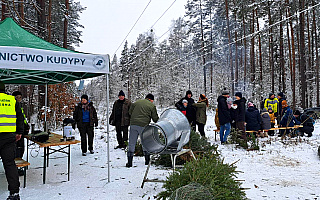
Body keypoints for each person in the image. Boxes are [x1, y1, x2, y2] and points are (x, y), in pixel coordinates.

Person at [0, 82, 23, 200]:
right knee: (10, 165)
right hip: (9, 137)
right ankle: (14, 193)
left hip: (7, 136)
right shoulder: (11, 100)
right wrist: (19, 132)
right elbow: (20, 117)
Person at [126, 94, 159, 168]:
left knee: (132, 142)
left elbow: (130, 112)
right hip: (144, 125)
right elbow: (155, 119)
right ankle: (147, 161)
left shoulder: (136, 103)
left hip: (133, 124)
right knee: (145, 142)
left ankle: (129, 162)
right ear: (151, 99)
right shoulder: (151, 106)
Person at [12, 91, 29, 176]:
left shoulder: (20, 107)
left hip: (21, 132)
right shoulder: (12, 106)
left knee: (21, 149)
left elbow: (23, 119)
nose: (18, 99)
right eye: (16, 97)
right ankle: (16, 168)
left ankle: (18, 167)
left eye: (20, 97)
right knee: (15, 150)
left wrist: (26, 127)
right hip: (15, 133)